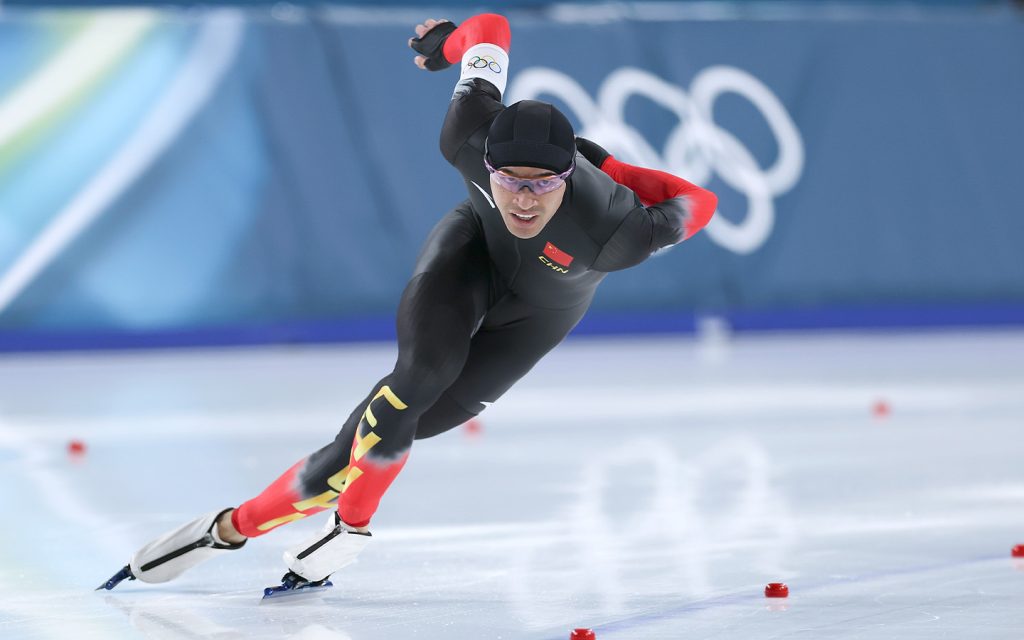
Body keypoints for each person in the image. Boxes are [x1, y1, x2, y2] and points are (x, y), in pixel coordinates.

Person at [98, 13, 718, 594]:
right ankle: (345, 527)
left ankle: (230, 528)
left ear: (567, 180)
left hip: (536, 318)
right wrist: (447, 45)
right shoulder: (467, 132)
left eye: (544, 185)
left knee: (365, 448)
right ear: (486, 164)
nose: (524, 201)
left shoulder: (618, 232)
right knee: (415, 381)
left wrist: (611, 169)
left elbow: (701, 201)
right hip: (471, 254)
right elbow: (490, 28)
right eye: (508, 181)